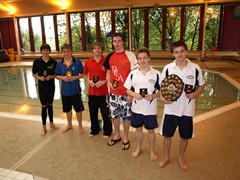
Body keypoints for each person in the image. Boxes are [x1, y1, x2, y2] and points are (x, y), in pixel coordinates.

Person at [158, 41, 205, 171]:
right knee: (167, 135)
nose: (180, 54)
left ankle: (180, 158)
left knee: (185, 136)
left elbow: (201, 85)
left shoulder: (195, 68)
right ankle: (166, 157)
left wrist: (195, 94)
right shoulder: (168, 68)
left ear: (186, 51)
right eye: (177, 52)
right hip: (171, 109)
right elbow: (162, 86)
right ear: (173, 53)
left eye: (182, 51)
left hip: (187, 110)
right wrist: (162, 97)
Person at [124, 47, 160, 160]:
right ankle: (138, 148)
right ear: (137, 60)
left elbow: (162, 91)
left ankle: (152, 150)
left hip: (150, 109)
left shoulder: (157, 74)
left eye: (144, 58)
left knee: (151, 131)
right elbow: (127, 89)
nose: (142, 60)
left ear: (149, 59)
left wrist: (153, 96)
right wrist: (134, 95)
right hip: (137, 108)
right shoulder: (132, 74)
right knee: (138, 129)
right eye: (140, 58)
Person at [103, 32, 138, 150]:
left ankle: (125, 137)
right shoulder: (110, 56)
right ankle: (117, 134)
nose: (116, 44)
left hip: (125, 93)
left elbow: (135, 75)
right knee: (115, 115)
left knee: (126, 117)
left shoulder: (130, 55)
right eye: (114, 41)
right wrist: (108, 82)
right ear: (112, 42)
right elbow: (108, 71)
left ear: (122, 42)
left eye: (119, 41)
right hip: (113, 93)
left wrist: (131, 93)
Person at [83, 42, 112, 138]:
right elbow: (84, 74)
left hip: (103, 92)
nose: (97, 50)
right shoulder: (88, 62)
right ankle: (94, 130)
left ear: (102, 50)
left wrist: (104, 81)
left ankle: (107, 131)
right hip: (92, 92)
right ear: (92, 50)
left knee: (105, 113)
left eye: (99, 48)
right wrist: (89, 81)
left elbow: (111, 75)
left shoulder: (106, 61)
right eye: (95, 48)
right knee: (93, 113)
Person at [54, 43, 85, 134]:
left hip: (75, 90)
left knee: (78, 109)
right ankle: (69, 124)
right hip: (65, 91)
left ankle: (80, 126)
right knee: (67, 109)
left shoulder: (77, 62)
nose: (66, 53)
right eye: (64, 52)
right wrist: (63, 78)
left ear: (71, 51)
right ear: (62, 53)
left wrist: (74, 77)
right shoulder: (59, 63)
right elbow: (56, 75)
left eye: (68, 51)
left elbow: (83, 74)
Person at [32, 43, 59, 136]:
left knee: (50, 105)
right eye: (44, 50)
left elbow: (56, 74)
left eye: (47, 50)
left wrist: (51, 76)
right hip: (42, 87)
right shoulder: (37, 62)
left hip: (51, 87)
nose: (46, 52)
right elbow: (33, 73)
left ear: (49, 51)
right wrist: (39, 78)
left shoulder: (53, 62)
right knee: (44, 107)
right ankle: (43, 127)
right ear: (41, 51)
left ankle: (51, 123)